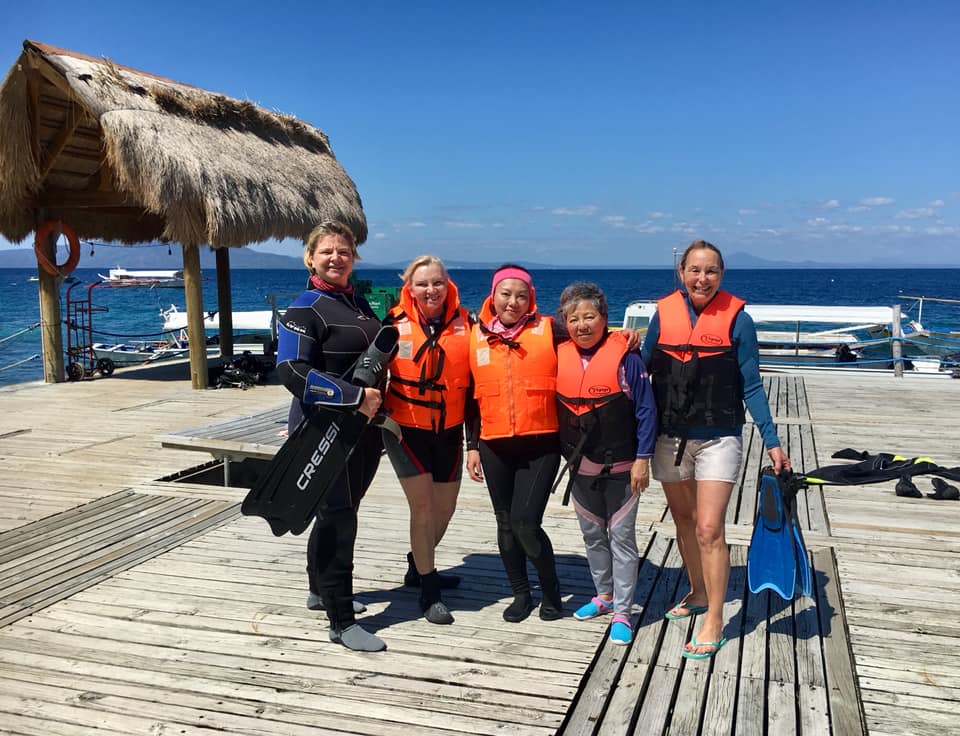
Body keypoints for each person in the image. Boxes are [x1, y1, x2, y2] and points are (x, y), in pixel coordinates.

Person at [641, 239, 791, 660]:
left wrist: (773, 440)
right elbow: (639, 372)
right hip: (669, 438)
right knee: (685, 521)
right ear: (681, 273)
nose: (702, 279)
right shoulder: (663, 316)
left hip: (719, 436)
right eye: (695, 270)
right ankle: (699, 592)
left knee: (709, 528)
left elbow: (753, 385)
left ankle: (714, 621)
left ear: (721, 276)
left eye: (711, 271)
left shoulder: (739, 321)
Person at [275, 220, 386, 652]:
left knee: (340, 510)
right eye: (327, 252)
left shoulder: (358, 303)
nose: (336, 258)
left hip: (363, 430)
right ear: (310, 258)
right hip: (323, 430)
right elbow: (291, 371)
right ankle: (341, 622)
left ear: (354, 258)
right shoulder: (304, 308)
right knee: (340, 517)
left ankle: (320, 591)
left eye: (344, 251)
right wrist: (354, 395)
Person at [555, 282, 657, 646]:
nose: (582, 325)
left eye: (590, 316)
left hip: (622, 467)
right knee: (593, 535)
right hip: (581, 468)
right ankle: (604, 596)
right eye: (574, 318)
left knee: (622, 539)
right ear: (564, 322)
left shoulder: (627, 358)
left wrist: (643, 460)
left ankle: (623, 611)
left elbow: (646, 412)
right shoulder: (559, 353)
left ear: (605, 318)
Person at [465, 264, 565, 623]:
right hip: (493, 444)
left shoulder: (550, 330)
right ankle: (521, 593)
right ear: (494, 296)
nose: (513, 302)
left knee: (525, 523)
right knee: (505, 523)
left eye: (521, 295)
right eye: (506, 294)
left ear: (531, 299)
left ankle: (551, 590)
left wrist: (624, 338)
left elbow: (593, 337)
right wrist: (471, 445)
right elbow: (469, 397)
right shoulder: (475, 336)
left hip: (540, 443)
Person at [382, 255, 471, 625]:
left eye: (437, 282)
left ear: (447, 284)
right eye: (422, 284)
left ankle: (417, 564)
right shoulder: (392, 324)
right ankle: (429, 592)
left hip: (449, 431)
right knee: (423, 509)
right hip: (404, 429)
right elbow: (365, 368)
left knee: (445, 509)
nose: (430, 290)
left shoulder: (469, 324)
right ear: (409, 287)